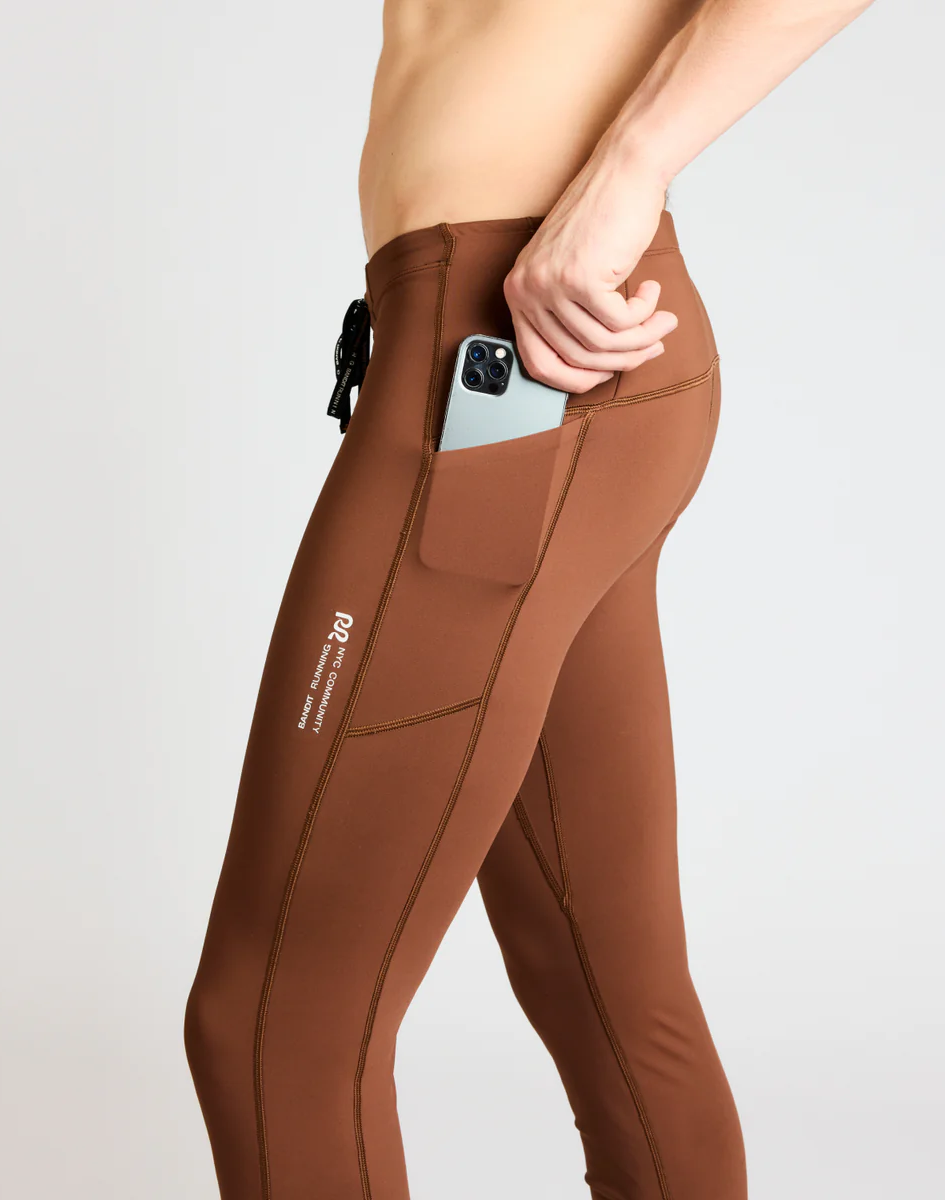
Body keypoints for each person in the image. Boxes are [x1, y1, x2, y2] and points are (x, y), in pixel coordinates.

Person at [185, 1, 874, 1197]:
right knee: (611, 990)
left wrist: (632, 167)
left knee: (274, 1025)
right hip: (522, 369)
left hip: (514, 360)